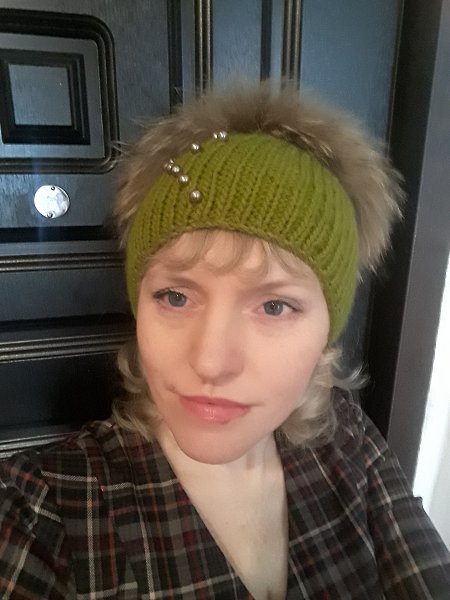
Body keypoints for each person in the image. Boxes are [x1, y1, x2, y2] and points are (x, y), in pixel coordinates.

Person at [0, 83, 449, 600]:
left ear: (329, 329)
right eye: (175, 297)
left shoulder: (349, 442)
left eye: (274, 306)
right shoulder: (40, 511)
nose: (210, 362)